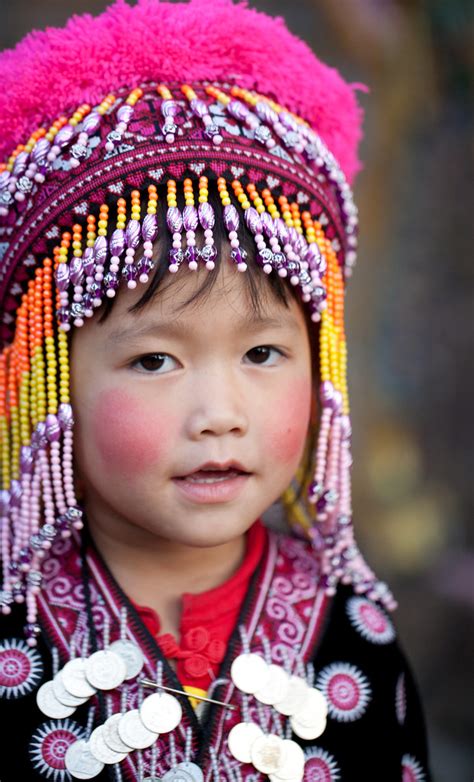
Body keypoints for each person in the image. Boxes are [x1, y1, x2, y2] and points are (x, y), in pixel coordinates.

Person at [0, 1, 432, 780]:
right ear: (46, 379)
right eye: (156, 361)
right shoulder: (10, 638)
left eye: (263, 351)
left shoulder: (355, 634)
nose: (220, 417)